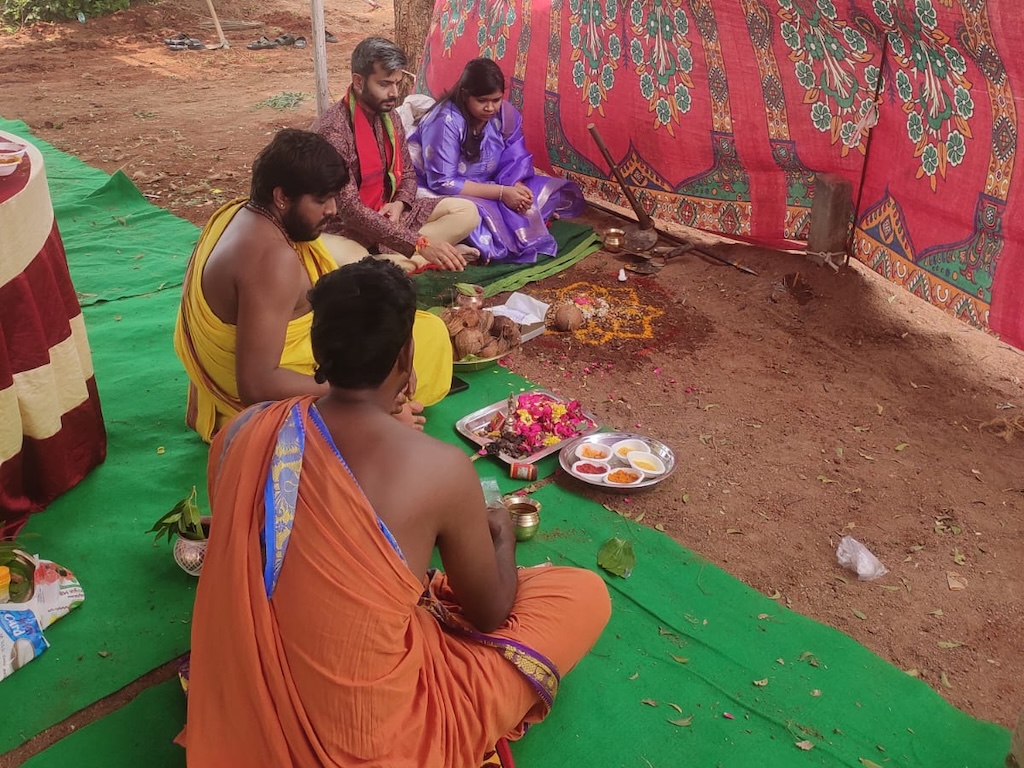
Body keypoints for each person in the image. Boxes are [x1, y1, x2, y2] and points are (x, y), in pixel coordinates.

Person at [180, 258, 611, 766]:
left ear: (316, 353)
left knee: (413, 593)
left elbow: (255, 549)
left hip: (246, 700)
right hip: (372, 741)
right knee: (583, 594)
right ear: (406, 357)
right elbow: (491, 612)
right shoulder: (440, 469)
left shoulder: (241, 432)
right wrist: (502, 537)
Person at [173, 128, 452, 442]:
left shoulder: (238, 213)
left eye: (333, 197)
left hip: (273, 354)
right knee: (429, 337)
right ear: (281, 197)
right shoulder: (271, 261)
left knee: (402, 335)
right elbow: (256, 385)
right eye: (321, 200)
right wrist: (368, 395)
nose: (332, 210)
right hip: (258, 401)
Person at [312, 36, 479, 273]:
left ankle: (400, 260)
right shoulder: (334, 131)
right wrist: (419, 244)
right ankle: (416, 258)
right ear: (358, 81)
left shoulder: (390, 117)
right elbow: (349, 210)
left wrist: (400, 203)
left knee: (466, 212)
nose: (393, 93)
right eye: (384, 84)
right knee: (357, 263)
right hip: (339, 228)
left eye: (397, 83)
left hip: (388, 216)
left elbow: (408, 174)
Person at [410, 58, 586, 264]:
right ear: (465, 94)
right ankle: (464, 244)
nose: (490, 108)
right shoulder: (445, 121)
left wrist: (515, 186)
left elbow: (515, 155)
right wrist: (502, 194)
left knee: (543, 195)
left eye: (496, 100)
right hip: (449, 190)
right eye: (483, 101)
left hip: (494, 184)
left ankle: (498, 225)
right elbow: (443, 182)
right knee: (478, 222)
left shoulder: (505, 114)